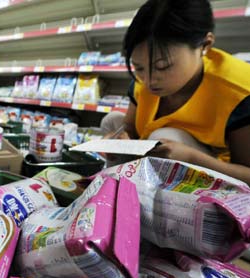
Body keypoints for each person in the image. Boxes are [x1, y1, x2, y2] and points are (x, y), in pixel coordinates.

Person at [100, 0, 250, 184]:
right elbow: (129, 127)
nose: (149, 81)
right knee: (111, 121)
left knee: (166, 136)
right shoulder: (142, 81)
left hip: (215, 170)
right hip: (158, 151)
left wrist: (192, 158)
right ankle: (112, 191)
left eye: (163, 67)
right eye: (138, 68)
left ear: (205, 45)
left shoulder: (239, 92)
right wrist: (119, 138)